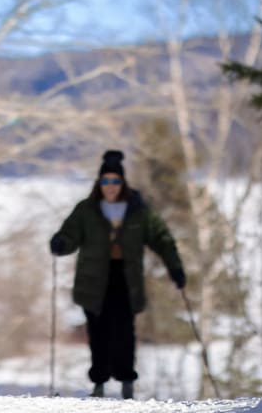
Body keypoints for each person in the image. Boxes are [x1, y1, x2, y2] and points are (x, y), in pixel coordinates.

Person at [49, 149, 186, 399]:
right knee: (98, 331)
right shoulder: (86, 210)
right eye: (105, 181)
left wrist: (175, 268)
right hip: (93, 281)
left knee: (124, 332)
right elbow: (69, 235)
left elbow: (162, 239)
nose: (110, 186)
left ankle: (126, 381)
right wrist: (60, 243)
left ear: (122, 183)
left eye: (115, 181)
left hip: (126, 278)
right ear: (99, 183)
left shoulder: (138, 210)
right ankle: (99, 383)